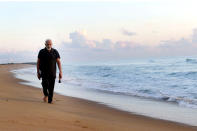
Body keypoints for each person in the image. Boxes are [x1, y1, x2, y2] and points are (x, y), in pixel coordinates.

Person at [37, 39, 62, 104]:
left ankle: (50, 101)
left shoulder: (55, 51)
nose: (49, 45)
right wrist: (38, 72)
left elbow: (58, 62)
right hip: (44, 73)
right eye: (47, 44)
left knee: (51, 87)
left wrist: (60, 72)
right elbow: (38, 62)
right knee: (45, 85)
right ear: (45, 44)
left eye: (50, 44)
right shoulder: (41, 51)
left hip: (52, 73)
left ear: (52, 44)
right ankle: (46, 95)